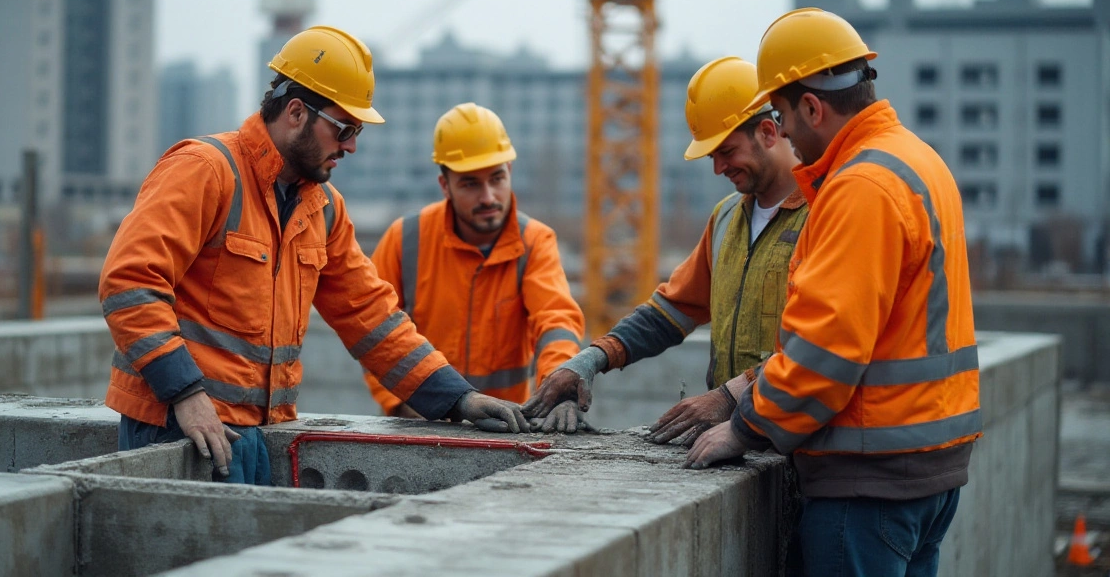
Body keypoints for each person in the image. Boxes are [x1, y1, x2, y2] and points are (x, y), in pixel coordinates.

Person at [100, 26, 529, 484]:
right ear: (296, 112)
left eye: (357, 131)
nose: (351, 146)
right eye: (343, 129)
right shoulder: (206, 171)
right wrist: (185, 394)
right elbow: (130, 281)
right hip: (178, 426)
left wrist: (456, 398)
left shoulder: (322, 209)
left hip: (259, 433)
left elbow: (371, 317)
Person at [686, 8, 982, 576]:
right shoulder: (919, 160)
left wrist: (745, 426)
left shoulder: (860, 186)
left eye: (782, 115)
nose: (787, 136)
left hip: (870, 484)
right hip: (929, 471)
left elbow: (824, 353)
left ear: (813, 107)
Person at [522, 57, 807, 437]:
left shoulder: (822, 213)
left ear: (769, 133)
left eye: (727, 151)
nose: (718, 168)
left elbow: (818, 346)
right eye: (712, 157)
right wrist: (591, 359)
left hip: (803, 439)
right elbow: (669, 312)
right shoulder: (726, 219)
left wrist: (727, 398)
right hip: (737, 438)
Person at [364, 103, 584, 428]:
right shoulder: (405, 239)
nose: (488, 196)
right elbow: (373, 331)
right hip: (421, 422)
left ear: (510, 171)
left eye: (497, 178)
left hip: (507, 427)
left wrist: (561, 385)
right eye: (470, 183)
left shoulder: (535, 241)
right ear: (445, 185)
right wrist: (400, 404)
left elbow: (556, 321)